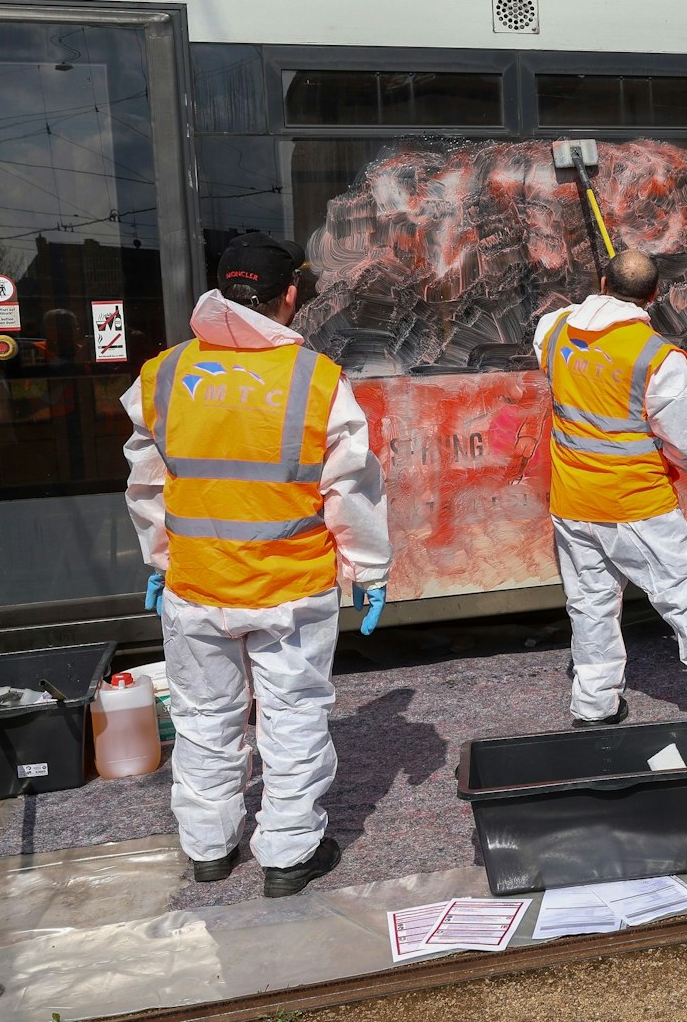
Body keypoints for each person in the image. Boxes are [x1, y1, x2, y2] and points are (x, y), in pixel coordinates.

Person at [122, 232, 390, 897]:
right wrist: (370, 568)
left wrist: (159, 557)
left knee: (204, 715)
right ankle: (287, 856)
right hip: (289, 587)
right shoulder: (317, 380)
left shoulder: (165, 375)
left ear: (219, 290)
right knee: (293, 715)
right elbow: (350, 489)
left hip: (196, 582)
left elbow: (147, 484)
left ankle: (209, 848)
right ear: (289, 296)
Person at [533, 248, 687, 729]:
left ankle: (595, 705)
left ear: (603, 283)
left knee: (590, 604)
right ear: (655, 296)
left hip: (573, 502)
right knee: (683, 595)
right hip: (636, 504)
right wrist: (683, 457)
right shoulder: (656, 358)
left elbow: (564, 359)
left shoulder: (553, 330)